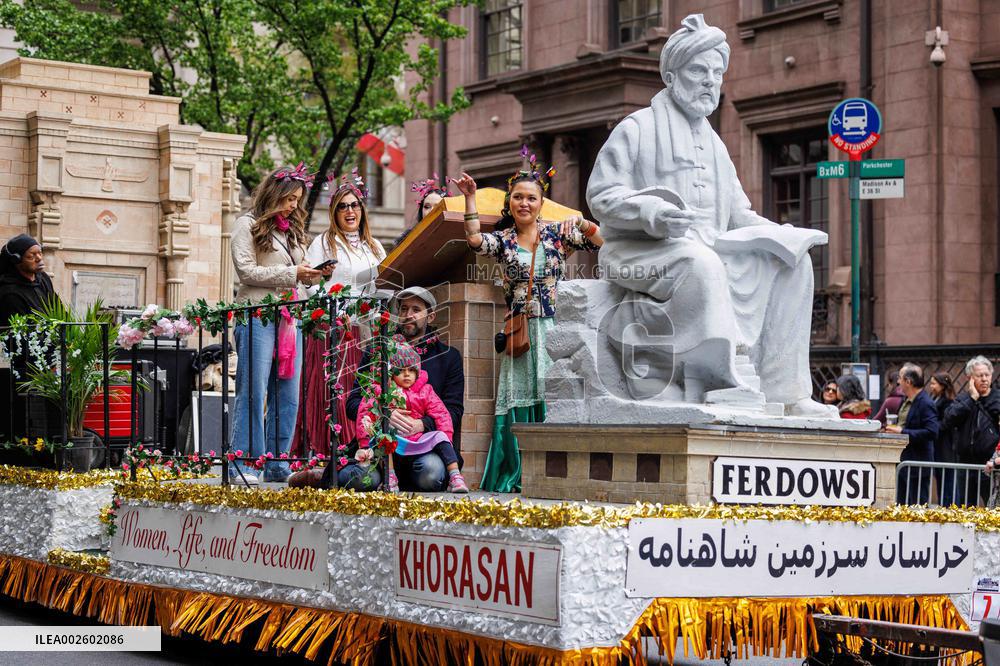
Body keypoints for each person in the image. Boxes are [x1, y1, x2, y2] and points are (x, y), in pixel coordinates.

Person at [586, 14, 832, 416]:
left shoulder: (714, 144)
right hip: (639, 250)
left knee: (794, 264)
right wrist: (653, 212)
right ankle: (714, 379)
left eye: (716, 73)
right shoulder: (637, 128)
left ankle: (785, 390)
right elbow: (601, 195)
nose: (709, 81)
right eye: (699, 70)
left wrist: (784, 234)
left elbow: (740, 214)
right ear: (671, 74)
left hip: (709, 246)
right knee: (700, 263)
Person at [457, 158, 604, 493]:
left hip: (554, 328)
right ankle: (517, 471)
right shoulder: (505, 239)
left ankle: (553, 470)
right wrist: (469, 198)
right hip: (519, 332)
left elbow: (602, 244)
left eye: (531, 198)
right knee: (519, 398)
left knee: (553, 393)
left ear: (541, 204)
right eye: (518, 197)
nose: (524, 203)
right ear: (510, 202)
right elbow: (475, 241)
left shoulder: (557, 236)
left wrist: (582, 222)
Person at [230, 164, 332, 484]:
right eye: (288, 198)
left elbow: (294, 275)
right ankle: (245, 463)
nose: (292, 205)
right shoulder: (245, 225)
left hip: (290, 320)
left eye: (297, 199)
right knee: (254, 389)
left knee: (287, 394)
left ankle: (276, 462)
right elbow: (246, 272)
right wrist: (293, 274)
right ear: (273, 194)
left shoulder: (290, 231)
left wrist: (311, 277)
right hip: (257, 315)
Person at [294, 173, 386, 457]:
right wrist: (329, 311)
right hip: (332, 327)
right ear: (334, 212)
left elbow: (382, 285)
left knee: (359, 390)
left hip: (364, 330)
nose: (350, 211)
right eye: (343, 206)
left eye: (354, 205)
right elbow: (307, 283)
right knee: (331, 390)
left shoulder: (375, 246)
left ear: (362, 210)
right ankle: (326, 449)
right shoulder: (324, 243)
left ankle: (359, 446)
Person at [339, 287, 464, 492]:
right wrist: (383, 415)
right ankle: (384, 477)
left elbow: (454, 411)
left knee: (431, 474)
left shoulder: (448, 357)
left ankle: (399, 480)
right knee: (359, 479)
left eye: (416, 309)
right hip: (380, 448)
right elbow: (352, 404)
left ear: (430, 316)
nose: (408, 315)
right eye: (404, 309)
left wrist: (421, 424)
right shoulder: (377, 351)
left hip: (424, 447)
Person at [354, 339, 469, 493]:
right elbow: (364, 414)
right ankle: (391, 477)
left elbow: (442, 414)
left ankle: (455, 476)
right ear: (391, 372)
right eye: (400, 370)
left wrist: (445, 438)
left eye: (411, 370)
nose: (407, 374)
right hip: (393, 440)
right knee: (382, 438)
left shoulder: (425, 390)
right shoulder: (381, 391)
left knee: (440, 436)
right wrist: (365, 444)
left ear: (417, 372)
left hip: (418, 440)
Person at [0, 234, 58, 442]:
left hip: (50, 358)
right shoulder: (8, 291)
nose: (39, 258)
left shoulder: (43, 281)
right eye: (31, 255)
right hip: (21, 365)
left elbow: (57, 312)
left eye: (40, 252)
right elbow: (20, 336)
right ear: (17, 261)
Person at [943, 357, 1000, 506]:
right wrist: (972, 398)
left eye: (987, 375)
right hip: (966, 465)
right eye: (979, 375)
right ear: (970, 378)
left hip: (990, 466)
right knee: (965, 509)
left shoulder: (997, 399)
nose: (984, 379)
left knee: (993, 509)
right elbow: (948, 420)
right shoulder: (963, 399)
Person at [885, 363, 939, 504]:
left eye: (900, 378)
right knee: (901, 504)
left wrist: (903, 431)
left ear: (908, 382)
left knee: (917, 506)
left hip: (918, 464)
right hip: (904, 461)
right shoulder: (906, 400)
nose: (898, 382)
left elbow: (932, 432)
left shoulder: (925, 403)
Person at [927, 372, 958, 505]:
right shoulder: (935, 399)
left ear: (942, 385)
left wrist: (932, 427)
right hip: (938, 446)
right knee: (940, 478)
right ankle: (943, 505)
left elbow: (945, 424)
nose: (931, 386)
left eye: (934, 383)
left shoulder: (948, 403)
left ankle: (948, 506)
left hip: (946, 447)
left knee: (947, 481)